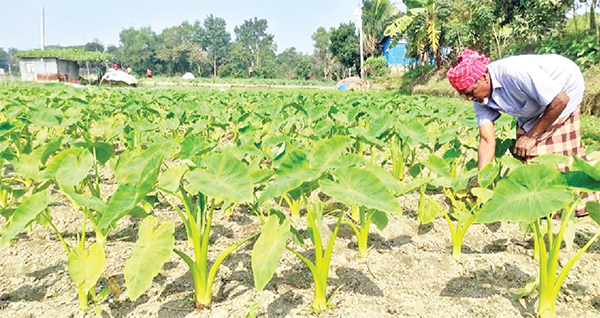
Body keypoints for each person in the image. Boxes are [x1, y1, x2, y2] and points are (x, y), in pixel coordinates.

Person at [447, 49, 598, 216]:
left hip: (563, 90)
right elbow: (486, 139)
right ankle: (546, 208)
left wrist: (532, 136)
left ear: (482, 77)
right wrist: (481, 180)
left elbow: (560, 100)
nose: (469, 99)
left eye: (470, 93)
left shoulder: (514, 73)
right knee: (525, 155)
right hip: (534, 106)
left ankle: (580, 206)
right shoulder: (479, 98)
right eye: (464, 95)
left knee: (547, 153)